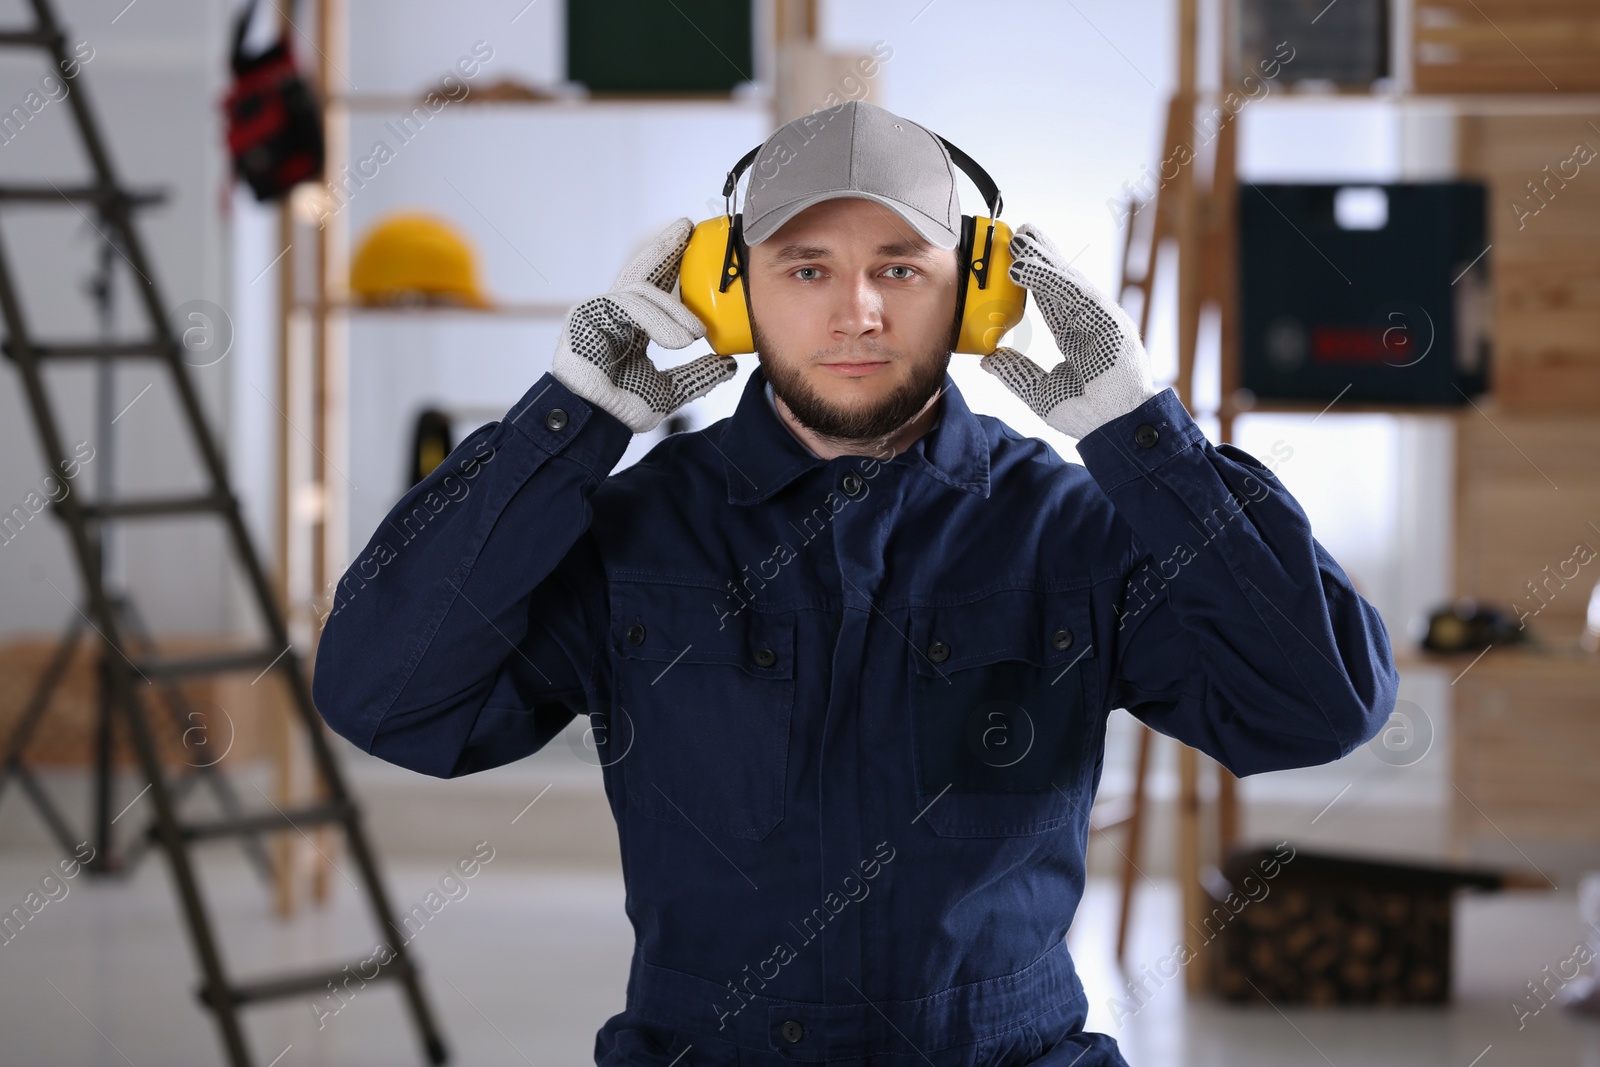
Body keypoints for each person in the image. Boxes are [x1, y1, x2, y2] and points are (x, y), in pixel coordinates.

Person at [312, 100, 1399, 1066]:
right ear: (731, 292)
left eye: (899, 266)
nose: (857, 312)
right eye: (805, 267)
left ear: (976, 294)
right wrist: (567, 423)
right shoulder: (634, 529)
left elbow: (1317, 705)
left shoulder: (1072, 526)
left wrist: (1144, 436)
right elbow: (386, 697)